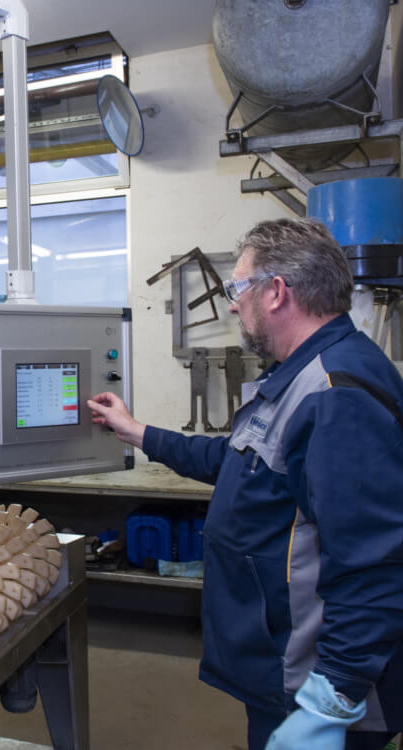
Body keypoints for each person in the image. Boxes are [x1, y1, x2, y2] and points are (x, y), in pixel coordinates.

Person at [88, 218, 403, 750]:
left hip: (313, 687)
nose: (233, 306)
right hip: (279, 667)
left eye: (238, 288)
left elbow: (372, 568)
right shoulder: (297, 376)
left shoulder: (334, 396)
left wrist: (329, 703)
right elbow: (234, 459)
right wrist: (137, 432)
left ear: (276, 292)